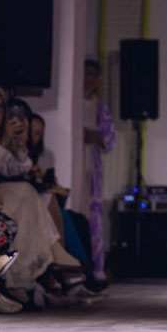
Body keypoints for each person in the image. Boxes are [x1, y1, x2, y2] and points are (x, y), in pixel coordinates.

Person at [69, 59, 116, 284]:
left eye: (96, 75)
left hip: (92, 166)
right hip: (75, 161)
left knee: (94, 217)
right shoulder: (73, 103)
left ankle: (95, 269)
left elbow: (110, 140)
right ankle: (75, 267)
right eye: (88, 74)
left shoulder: (99, 107)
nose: (92, 79)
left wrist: (95, 137)